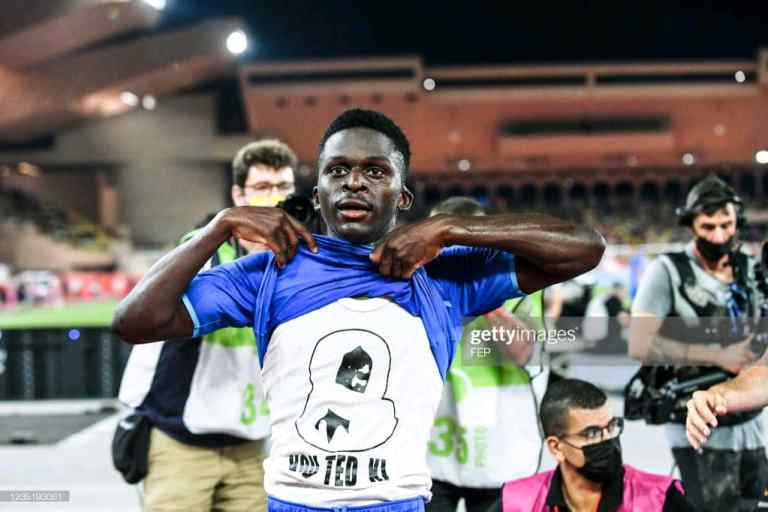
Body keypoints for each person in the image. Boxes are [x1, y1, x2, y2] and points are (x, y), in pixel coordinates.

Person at [113, 108, 605, 512]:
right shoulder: (269, 273)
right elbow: (134, 321)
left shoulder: (445, 273)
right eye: (337, 170)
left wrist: (453, 228)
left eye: (375, 171)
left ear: (402, 195)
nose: (354, 183)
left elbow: (585, 247)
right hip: (291, 502)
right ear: (318, 191)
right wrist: (220, 226)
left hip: (397, 502)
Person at [117, 139, 299, 512]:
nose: (274, 198)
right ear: (238, 193)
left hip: (252, 446)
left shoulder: (300, 262)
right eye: (262, 188)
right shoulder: (203, 253)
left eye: (283, 187)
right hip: (181, 443)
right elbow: (138, 317)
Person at [628, 173, 768, 511]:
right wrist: (717, 356)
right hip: (697, 422)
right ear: (691, 224)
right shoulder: (668, 271)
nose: (719, 235)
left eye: (727, 224)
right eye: (708, 227)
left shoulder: (751, 269)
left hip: (751, 417)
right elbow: (638, 342)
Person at [425, 197, 549, 512]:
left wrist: (482, 293)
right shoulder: (418, 279)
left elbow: (524, 351)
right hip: (431, 451)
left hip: (499, 450)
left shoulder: (514, 280)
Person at [490, 378, 694, 511]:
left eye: (612, 427)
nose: (607, 439)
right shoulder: (517, 503)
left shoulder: (658, 499)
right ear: (556, 447)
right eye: (592, 433)